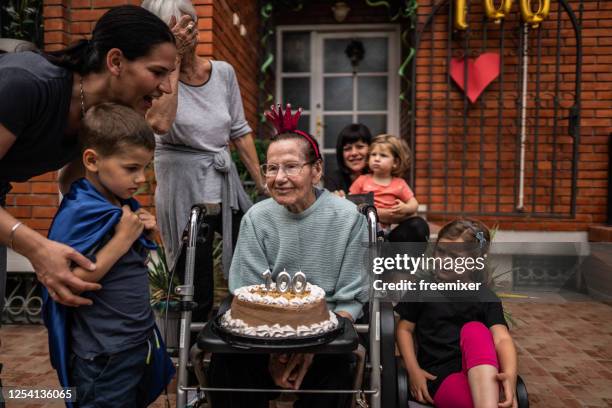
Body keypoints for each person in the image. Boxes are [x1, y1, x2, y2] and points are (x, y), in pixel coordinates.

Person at [0, 5, 180, 309]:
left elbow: (72, 183)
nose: (165, 87)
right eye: (157, 72)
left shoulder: (95, 113)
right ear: (116, 61)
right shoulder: (25, 85)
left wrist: (122, 217)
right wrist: (38, 249)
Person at [208, 104, 368, 408]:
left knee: (337, 371)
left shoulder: (349, 218)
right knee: (225, 365)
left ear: (316, 170)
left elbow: (351, 298)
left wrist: (309, 349)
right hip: (263, 333)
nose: (279, 177)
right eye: (271, 168)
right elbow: (246, 289)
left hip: (329, 333)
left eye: (291, 166)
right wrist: (273, 351)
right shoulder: (257, 217)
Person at [142, 0, 266, 322]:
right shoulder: (154, 78)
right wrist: (173, 60)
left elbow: (239, 130)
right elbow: (160, 123)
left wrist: (263, 184)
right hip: (181, 186)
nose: (187, 31)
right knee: (196, 284)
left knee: (252, 246)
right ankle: (194, 358)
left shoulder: (223, 72)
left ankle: (251, 325)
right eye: (175, 27)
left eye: (188, 22)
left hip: (222, 181)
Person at [44, 103, 174, 408]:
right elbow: (68, 284)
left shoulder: (119, 203)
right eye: (131, 168)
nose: (141, 178)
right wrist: (121, 240)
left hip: (133, 342)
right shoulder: (82, 211)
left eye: (145, 167)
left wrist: (146, 234)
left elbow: (132, 262)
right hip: (102, 356)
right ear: (92, 160)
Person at [395, 219, 518, 408]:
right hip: (440, 376)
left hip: (483, 373)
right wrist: (413, 370)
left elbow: (502, 339)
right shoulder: (421, 289)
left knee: (475, 329)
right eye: (441, 251)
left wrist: (509, 374)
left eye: (454, 257)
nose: (443, 261)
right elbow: (404, 330)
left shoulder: (485, 296)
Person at [349, 134, 429, 242]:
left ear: (395, 162)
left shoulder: (399, 184)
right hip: (362, 229)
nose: (376, 159)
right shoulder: (362, 180)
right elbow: (349, 200)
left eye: (383, 155)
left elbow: (414, 204)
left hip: (385, 232)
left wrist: (405, 208)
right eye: (373, 154)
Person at [323, 123, 372, 196]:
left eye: (360, 147)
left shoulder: (381, 176)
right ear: (341, 154)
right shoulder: (333, 179)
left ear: (371, 149)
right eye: (348, 149)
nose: (354, 153)